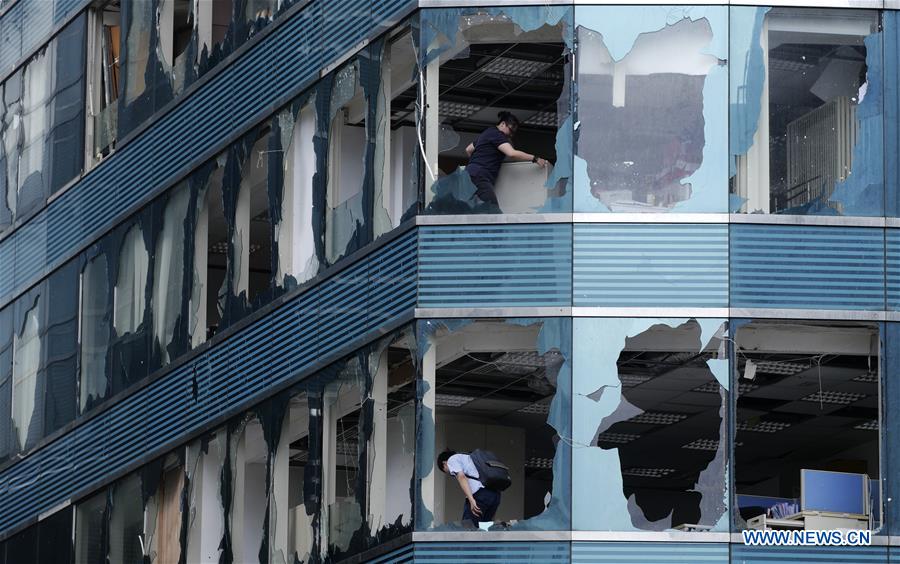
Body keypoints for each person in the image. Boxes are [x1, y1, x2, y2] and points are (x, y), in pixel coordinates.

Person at [465, 111, 547, 207]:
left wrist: (475, 164)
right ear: (503, 124)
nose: (511, 135)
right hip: (480, 176)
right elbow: (512, 153)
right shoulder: (497, 135)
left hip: (470, 175)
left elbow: (468, 149)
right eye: (510, 130)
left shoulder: (487, 132)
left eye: (513, 133)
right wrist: (535, 158)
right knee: (492, 210)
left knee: (473, 209)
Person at [437, 449, 501, 526]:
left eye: (445, 471)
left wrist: (471, 500)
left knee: (469, 528)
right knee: (484, 528)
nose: (450, 473)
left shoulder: (452, 459)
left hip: (480, 495)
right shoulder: (470, 457)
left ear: (444, 463)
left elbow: (461, 477)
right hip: (495, 494)